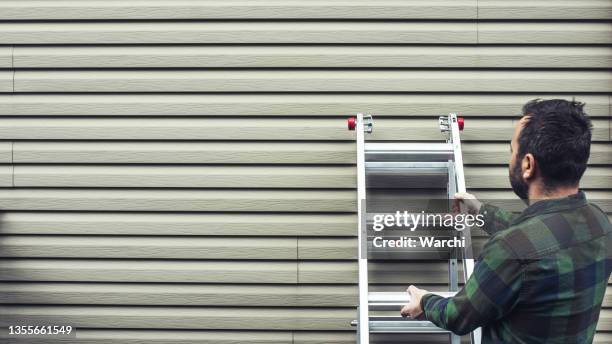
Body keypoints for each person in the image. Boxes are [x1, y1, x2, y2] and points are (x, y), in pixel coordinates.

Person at [400, 99, 612, 343]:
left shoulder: (510, 250)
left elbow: (458, 315)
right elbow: (540, 233)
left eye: (512, 151)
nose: (510, 158)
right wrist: (480, 212)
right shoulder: (598, 223)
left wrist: (425, 302)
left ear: (528, 165)